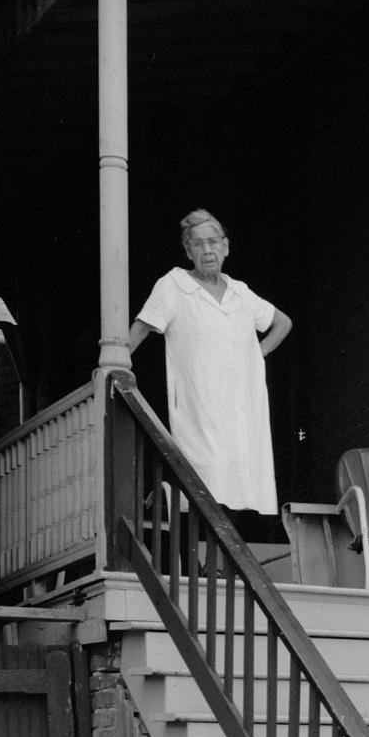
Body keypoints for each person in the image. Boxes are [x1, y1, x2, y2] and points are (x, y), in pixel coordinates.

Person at [124, 210, 294, 542]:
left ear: (226, 246)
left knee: (242, 478)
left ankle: (223, 560)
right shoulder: (174, 285)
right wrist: (113, 363)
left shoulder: (240, 292)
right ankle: (201, 561)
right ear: (188, 251)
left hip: (241, 407)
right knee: (203, 478)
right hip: (199, 405)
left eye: (213, 242)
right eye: (198, 244)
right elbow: (142, 328)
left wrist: (255, 354)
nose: (207, 250)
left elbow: (282, 323)